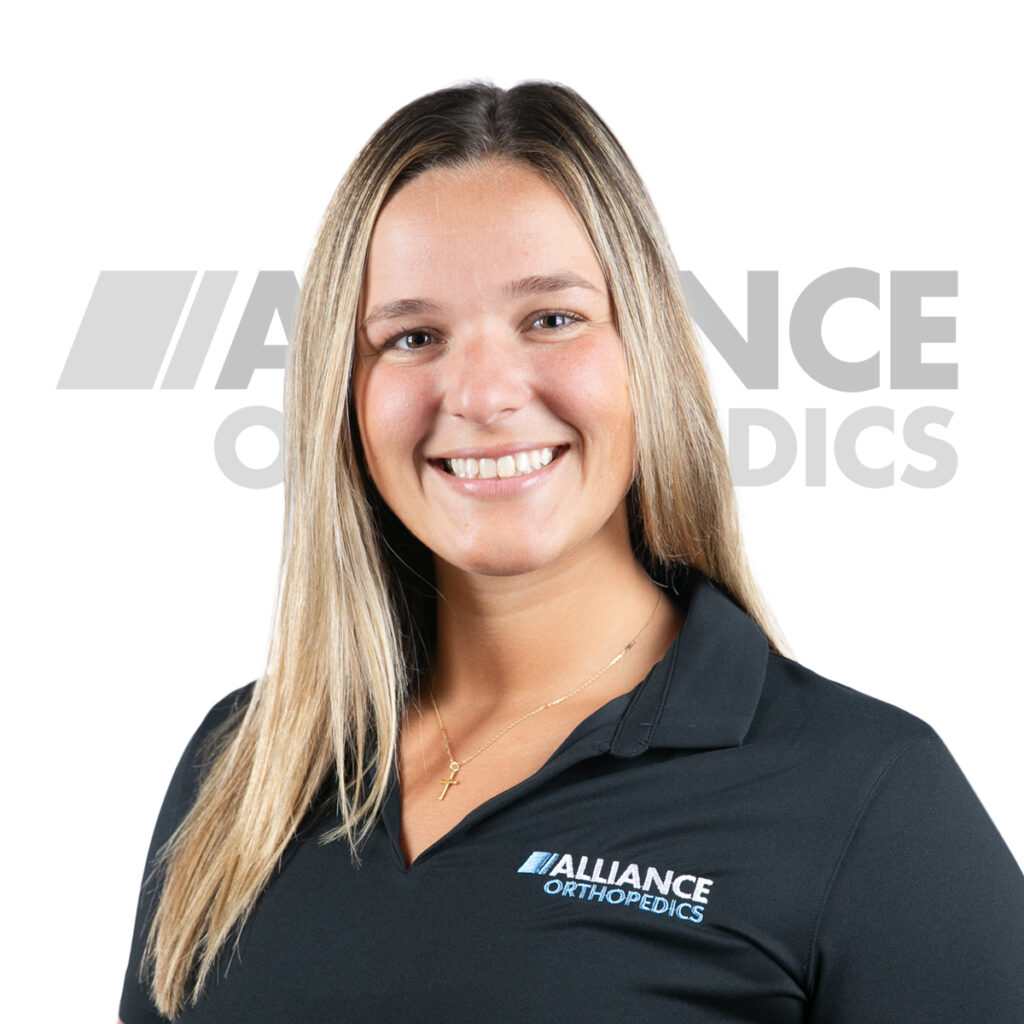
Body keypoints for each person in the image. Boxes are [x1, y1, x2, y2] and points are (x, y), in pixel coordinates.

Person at [117, 80, 1024, 1023]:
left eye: (551, 319)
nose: (484, 394)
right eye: (413, 336)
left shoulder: (869, 797)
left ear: (647, 354)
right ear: (342, 395)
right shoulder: (246, 769)